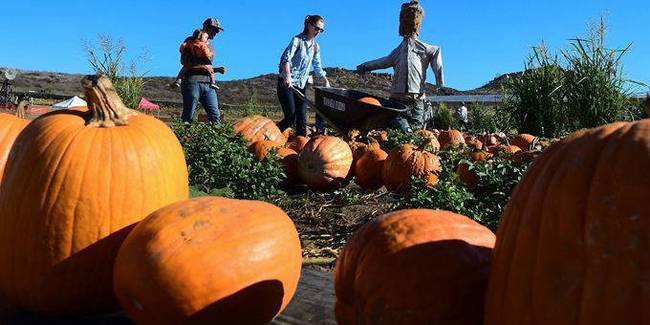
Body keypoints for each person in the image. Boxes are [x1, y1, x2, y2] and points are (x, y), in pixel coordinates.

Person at [356, 1, 443, 132]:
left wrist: (439, 81)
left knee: (415, 130)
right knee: (397, 129)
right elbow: (382, 62)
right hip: (396, 100)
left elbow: (436, 53)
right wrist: (364, 67)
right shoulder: (398, 52)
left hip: (416, 100)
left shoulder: (426, 49)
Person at [277, 15, 331, 136]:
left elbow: (317, 66)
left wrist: (325, 80)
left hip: (300, 85)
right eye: (317, 28)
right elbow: (286, 59)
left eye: (321, 30)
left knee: (302, 119)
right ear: (309, 25)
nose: (318, 32)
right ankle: (270, 136)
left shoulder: (316, 47)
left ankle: (300, 145)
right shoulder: (297, 40)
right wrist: (288, 76)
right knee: (291, 117)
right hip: (286, 83)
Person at [179, 18, 227, 124]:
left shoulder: (210, 45)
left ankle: (215, 138)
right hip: (192, 81)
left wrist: (216, 70)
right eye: (214, 30)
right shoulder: (191, 40)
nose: (216, 33)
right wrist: (203, 65)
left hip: (209, 84)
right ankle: (184, 138)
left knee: (215, 115)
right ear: (206, 27)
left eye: (217, 31)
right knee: (188, 115)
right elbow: (184, 61)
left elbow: (207, 66)